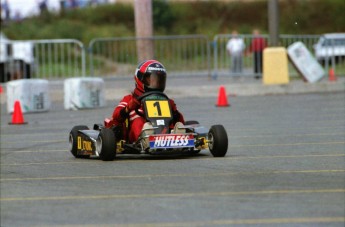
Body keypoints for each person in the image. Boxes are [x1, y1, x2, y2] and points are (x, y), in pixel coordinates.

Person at [105, 60, 185, 144]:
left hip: (164, 131)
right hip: (133, 136)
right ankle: (145, 138)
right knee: (137, 119)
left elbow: (182, 122)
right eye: (151, 79)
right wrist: (128, 108)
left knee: (176, 122)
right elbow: (116, 116)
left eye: (159, 80)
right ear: (140, 79)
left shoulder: (166, 101)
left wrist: (175, 113)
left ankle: (178, 136)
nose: (156, 83)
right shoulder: (129, 99)